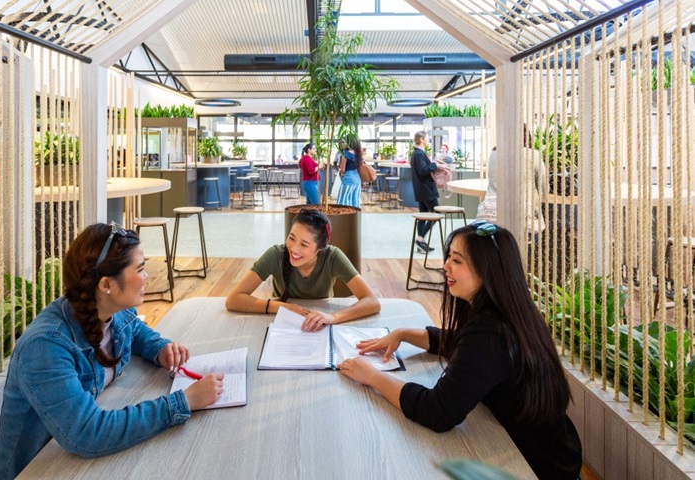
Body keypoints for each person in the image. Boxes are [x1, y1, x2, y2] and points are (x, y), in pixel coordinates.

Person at [337, 222, 582, 480]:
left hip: (534, 468)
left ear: (488, 270)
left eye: (457, 260)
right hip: (555, 455)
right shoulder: (510, 313)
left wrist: (372, 377)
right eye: (448, 257)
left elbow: (438, 412)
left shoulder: (490, 333)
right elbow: (464, 347)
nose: (445, 267)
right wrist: (404, 334)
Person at [0, 223, 225, 479]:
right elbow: (87, 433)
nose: (148, 277)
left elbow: (135, 330)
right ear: (107, 284)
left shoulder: (112, 309)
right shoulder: (46, 346)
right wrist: (184, 401)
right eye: (140, 269)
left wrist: (159, 348)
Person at [225, 208, 380, 331]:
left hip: (320, 324)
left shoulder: (333, 256)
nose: (294, 248)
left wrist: (333, 317)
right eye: (291, 238)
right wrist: (282, 307)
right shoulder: (275, 255)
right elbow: (233, 299)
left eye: (304, 244)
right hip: (279, 322)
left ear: (321, 248)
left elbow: (372, 302)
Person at [409, 131, 439, 252]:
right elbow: (423, 170)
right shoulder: (419, 154)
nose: (428, 140)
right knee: (436, 213)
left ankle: (421, 243)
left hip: (420, 189)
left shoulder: (416, 154)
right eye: (427, 138)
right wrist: (434, 165)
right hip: (426, 189)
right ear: (421, 139)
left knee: (423, 215)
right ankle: (420, 239)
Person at [337, 138, 363, 208]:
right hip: (357, 179)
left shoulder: (345, 153)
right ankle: (354, 218)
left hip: (348, 178)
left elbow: (342, 169)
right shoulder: (358, 154)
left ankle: (342, 218)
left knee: (342, 200)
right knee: (355, 200)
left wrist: (340, 173)